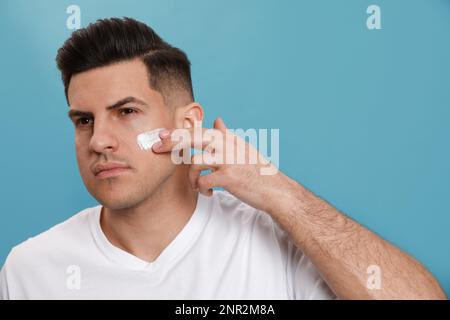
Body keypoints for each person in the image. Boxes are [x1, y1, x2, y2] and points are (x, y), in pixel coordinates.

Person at [0, 17, 446, 300]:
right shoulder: (31, 268)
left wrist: (279, 193)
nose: (99, 141)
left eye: (127, 112)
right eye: (83, 120)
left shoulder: (271, 242)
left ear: (188, 127)